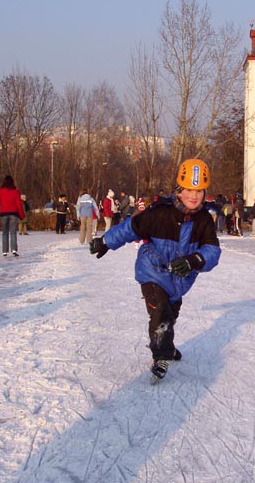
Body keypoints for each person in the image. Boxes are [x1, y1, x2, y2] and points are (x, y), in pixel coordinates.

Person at [89, 158, 221, 383]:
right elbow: (131, 228)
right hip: (152, 270)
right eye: (189, 189)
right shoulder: (160, 212)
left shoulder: (205, 220)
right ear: (179, 190)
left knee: (171, 314)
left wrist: (194, 260)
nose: (194, 195)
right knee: (160, 313)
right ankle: (161, 357)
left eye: (199, 191)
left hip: (180, 279)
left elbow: (212, 251)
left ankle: (166, 345)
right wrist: (105, 242)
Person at [0, 175, 25, 257]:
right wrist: (21, 215)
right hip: (14, 214)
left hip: (4, 214)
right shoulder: (15, 191)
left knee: (5, 233)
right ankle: (14, 249)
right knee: (13, 232)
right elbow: (19, 205)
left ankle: (5, 251)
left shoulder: (0, 191)